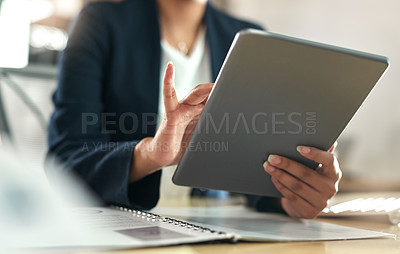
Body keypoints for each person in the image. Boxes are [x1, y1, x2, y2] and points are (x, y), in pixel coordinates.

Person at [47, 0, 341, 219]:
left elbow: (257, 168)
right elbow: (65, 163)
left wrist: (289, 198)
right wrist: (148, 155)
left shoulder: (250, 38)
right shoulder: (99, 23)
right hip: (122, 223)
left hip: (219, 224)